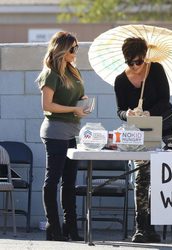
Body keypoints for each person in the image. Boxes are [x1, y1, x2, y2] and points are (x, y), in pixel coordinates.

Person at [114, 37, 172, 243]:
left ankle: (156, 225)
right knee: (142, 177)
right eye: (129, 62)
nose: (134, 66)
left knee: (161, 177)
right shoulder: (120, 80)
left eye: (138, 62)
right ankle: (142, 226)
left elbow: (165, 99)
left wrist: (149, 112)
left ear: (145, 56)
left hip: (165, 129)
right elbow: (120, 110)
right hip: (139, 133)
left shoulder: (156, 70)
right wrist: (130, 114)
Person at [36, 31, 89, 241]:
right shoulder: (50, 73)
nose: (76, 52)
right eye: (73, 48)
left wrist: (82, 100)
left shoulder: (73, 71)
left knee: (69, 182)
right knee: (53, 180)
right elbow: (47, 105)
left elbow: (72, 98)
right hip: (55, 131)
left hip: (72, 131)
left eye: (77, 48)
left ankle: (71, 229)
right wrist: (72, 109)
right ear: (62, 49)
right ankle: (53, 227)